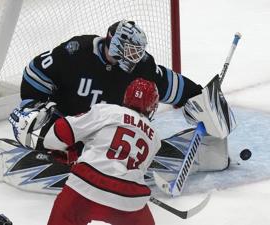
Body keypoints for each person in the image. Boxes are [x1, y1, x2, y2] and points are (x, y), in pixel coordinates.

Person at [19, 19, 202, 149]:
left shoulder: (142, 66)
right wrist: (32, 105)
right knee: (43, 133)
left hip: (109, 138)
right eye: (131, 51)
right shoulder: (77, 52)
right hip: (66, 126)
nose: (136, 58)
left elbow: (169, 84)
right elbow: (35, 72)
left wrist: (198, 96)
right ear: (115, 44)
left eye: (138, 52)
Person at [12, 78, 162, 225]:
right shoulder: (155, 138)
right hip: (129, 199)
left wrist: (68, 151)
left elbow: (55, 136)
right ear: (152, 106)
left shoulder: (107, 111)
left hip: (85, 186)